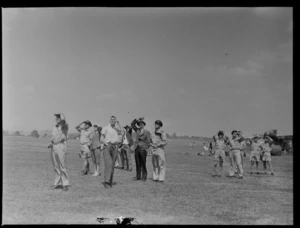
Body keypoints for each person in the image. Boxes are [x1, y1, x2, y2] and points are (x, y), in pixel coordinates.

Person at [48, 113, 69, 191]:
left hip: (61, 146)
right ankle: (57, 183)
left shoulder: (64, 127)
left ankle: (65, 184)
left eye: (58, 117)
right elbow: (53, 137)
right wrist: (51, 143)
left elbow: (64, 121)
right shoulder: (54, 127)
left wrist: (62, 116)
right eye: (56, 117)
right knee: (56, 166)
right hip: (54, 147)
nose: (57, 118)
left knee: (62, 165)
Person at [100, 116, 123, 188]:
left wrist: (118, 124)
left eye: (114, 120)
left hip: (115, 146)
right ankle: (106, 182)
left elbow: (122, 132)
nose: (112, 121)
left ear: (116, 121)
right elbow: (101, 138)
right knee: (108, 163)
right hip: (107, 146)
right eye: (111, 119)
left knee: (112, 165)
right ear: (109, 120)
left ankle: (110, 181)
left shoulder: (117, 129)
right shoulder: (105, 128)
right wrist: (105, 143)